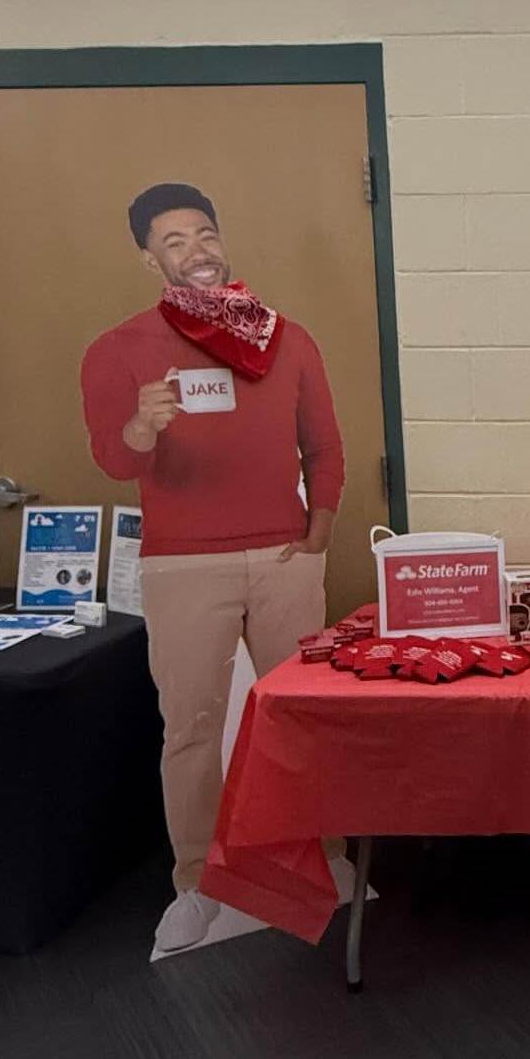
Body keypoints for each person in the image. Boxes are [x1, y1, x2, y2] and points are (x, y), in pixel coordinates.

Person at [81, 183, 349, 951]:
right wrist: (140, 424)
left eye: (204, 235)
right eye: (174, 242)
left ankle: (326, 860)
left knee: (304, 719)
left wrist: (319, 530)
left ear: (221, 239)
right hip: (182, 568)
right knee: (191, 731)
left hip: (283, 558)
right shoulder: (118, 350)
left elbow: (323, 448)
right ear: (146, 258)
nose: (195, 252)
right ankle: (196, 881)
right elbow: (108, 456)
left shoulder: (285, 339)